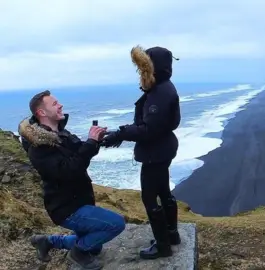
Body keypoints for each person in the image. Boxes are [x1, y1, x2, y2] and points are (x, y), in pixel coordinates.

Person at [18, 90, 126, 270]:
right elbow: (69, 171)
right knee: (116, 224)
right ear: (42, 113)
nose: (60, 105)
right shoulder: (38, 147)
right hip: (66, 208)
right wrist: (90, 143)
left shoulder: (60, 133)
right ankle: (77, 253)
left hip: (79, 200)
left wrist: (95, 141)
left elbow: (80, 153)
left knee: (95, 246)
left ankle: (47, 241)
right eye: (54, 104)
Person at [101, 45, 181, 259]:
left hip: (156, 153)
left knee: (149, 198)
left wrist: (120, 134)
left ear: (152, 66)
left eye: (143, 67)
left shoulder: (160, 92)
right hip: (163, 148)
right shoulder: (164, 87)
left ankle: (163, 246)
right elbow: (153, 125)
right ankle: (172, 234)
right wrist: (122, 133)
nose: (140, 72)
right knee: (164, 191)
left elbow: (149, 129)